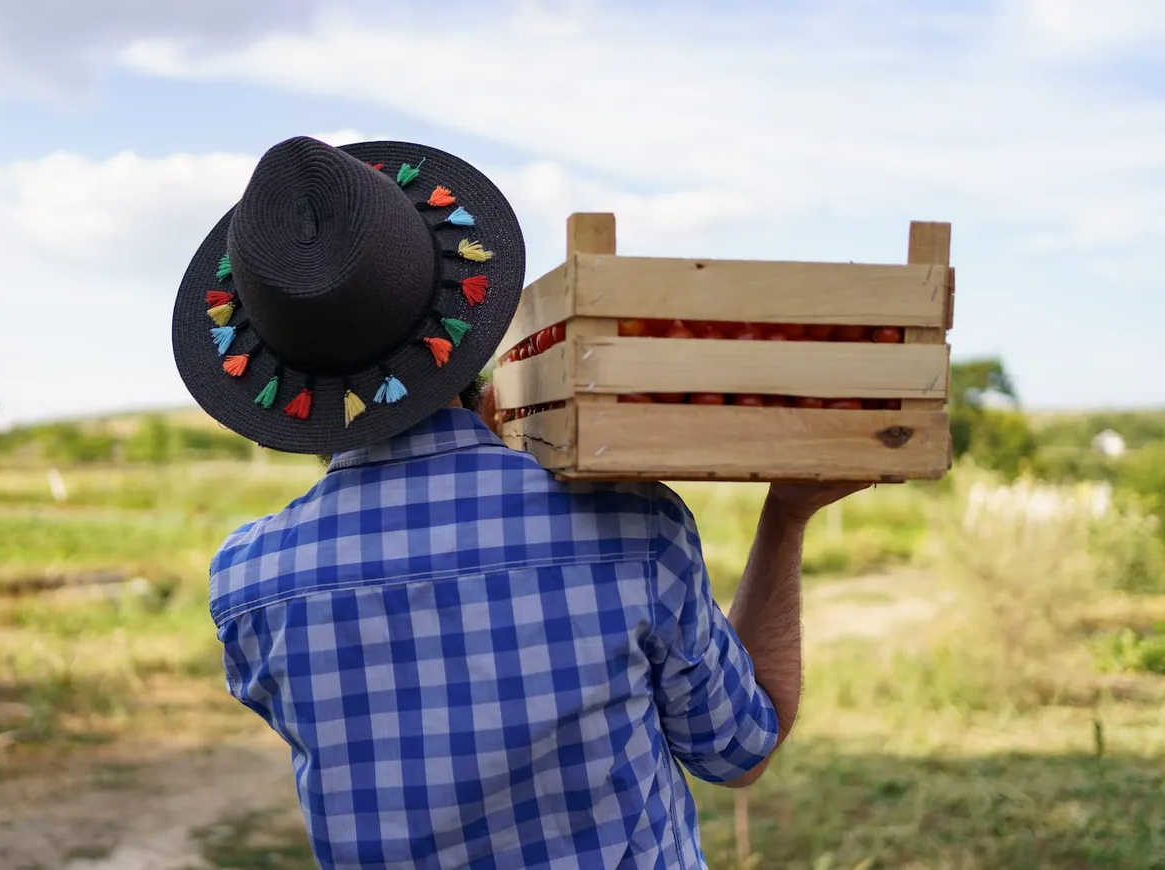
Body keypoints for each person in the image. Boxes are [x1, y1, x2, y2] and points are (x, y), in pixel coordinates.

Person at [172, 135, 867, 869]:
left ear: (279, 382)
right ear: (468, 340)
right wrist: (787, 515)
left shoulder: (249, 585)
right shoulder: (633, 526)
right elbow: (741, 748)